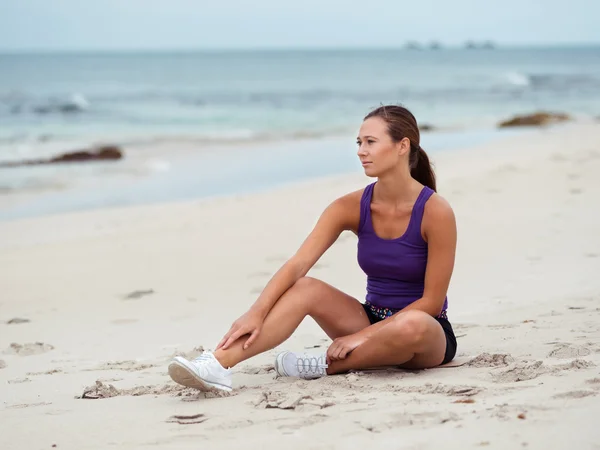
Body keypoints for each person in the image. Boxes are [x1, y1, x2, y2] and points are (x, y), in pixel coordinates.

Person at [168, 105, 458, 393]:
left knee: (412, 325)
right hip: (369, 317)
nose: (360, 151)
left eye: (371, 142)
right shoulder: (349, 206)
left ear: (402, 146)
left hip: (425, 334)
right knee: (305, 287)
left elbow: (431, 303)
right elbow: (298, 264)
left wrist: (363, 337)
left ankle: (323, 365)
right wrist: (256, 312)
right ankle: (217, 364)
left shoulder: (435, 211)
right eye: (359, 142)